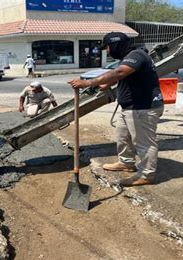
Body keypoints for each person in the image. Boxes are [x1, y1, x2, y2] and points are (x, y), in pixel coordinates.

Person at [68, 32, 164, 186]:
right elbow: (124, 76)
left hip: (143, 107)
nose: (107, 51)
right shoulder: (129, 58)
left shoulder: (136, 55)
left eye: (107, 47)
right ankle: (126, 163)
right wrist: (107, 84)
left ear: (115, 44)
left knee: (144, 143)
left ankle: (146, 175)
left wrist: (88, 83)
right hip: (130, 107)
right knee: (122, 136)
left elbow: (119, 72)